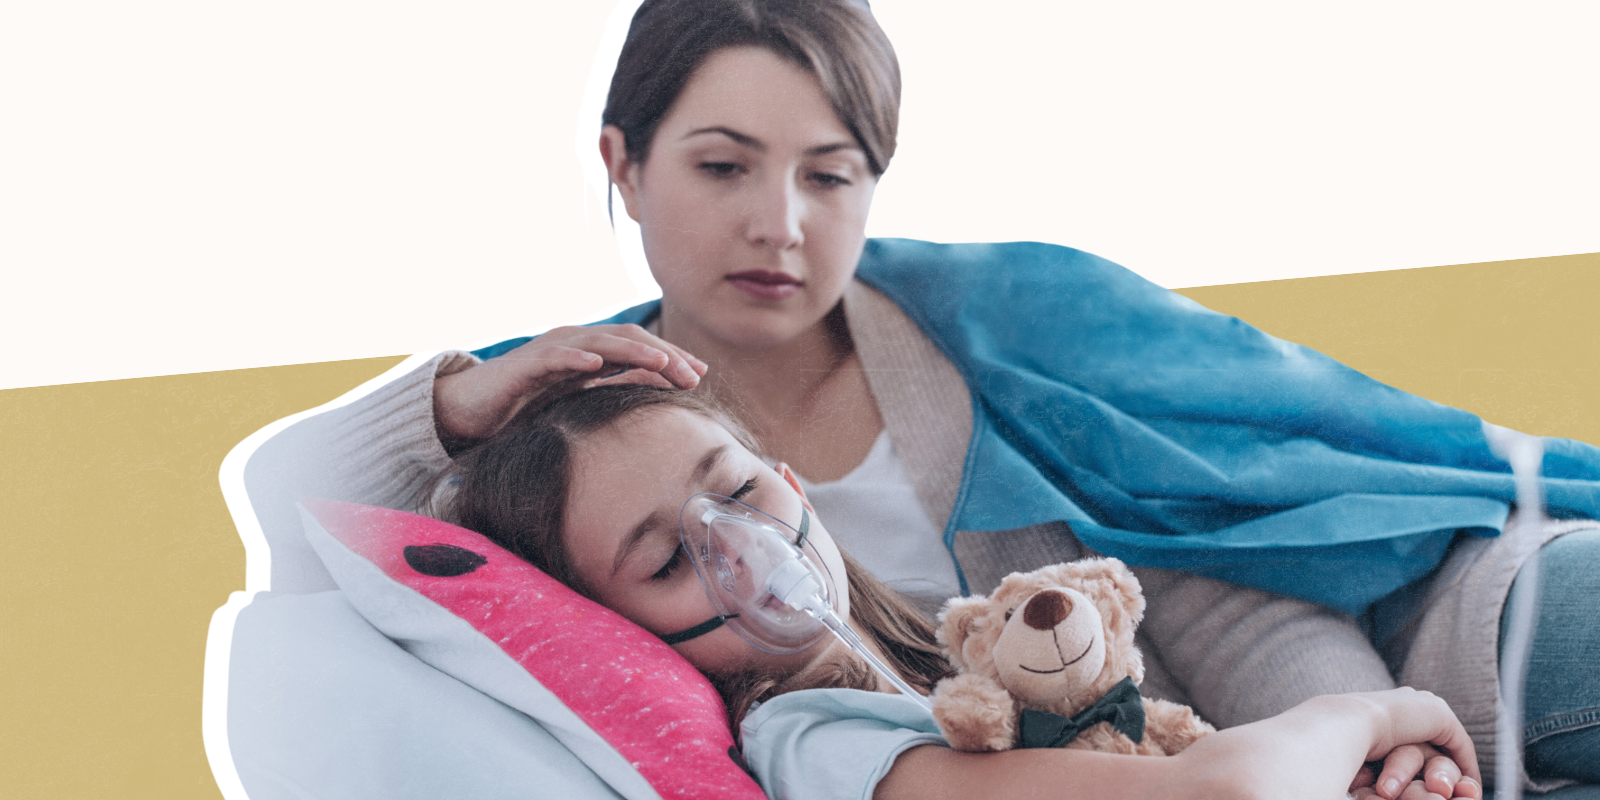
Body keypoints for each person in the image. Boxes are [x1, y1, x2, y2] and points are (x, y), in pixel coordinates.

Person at [241, 0, 1600, 791]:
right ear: (624, 161)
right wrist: (455, 403)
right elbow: (292, 516)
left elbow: (1215, 582)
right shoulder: (587, 449)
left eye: (829, 175)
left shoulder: (997, 325)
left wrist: (1372, 744)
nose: (780, 222)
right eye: (722, 167)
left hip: (1431, 637)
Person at [435, 381, 1484, 800]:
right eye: (668, 561)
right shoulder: (813, 739)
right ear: (615, 633)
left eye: (740, 491)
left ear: (792, 482)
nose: (744, 552)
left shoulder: (938, 673)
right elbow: (1225, 792)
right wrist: (1374, 709)